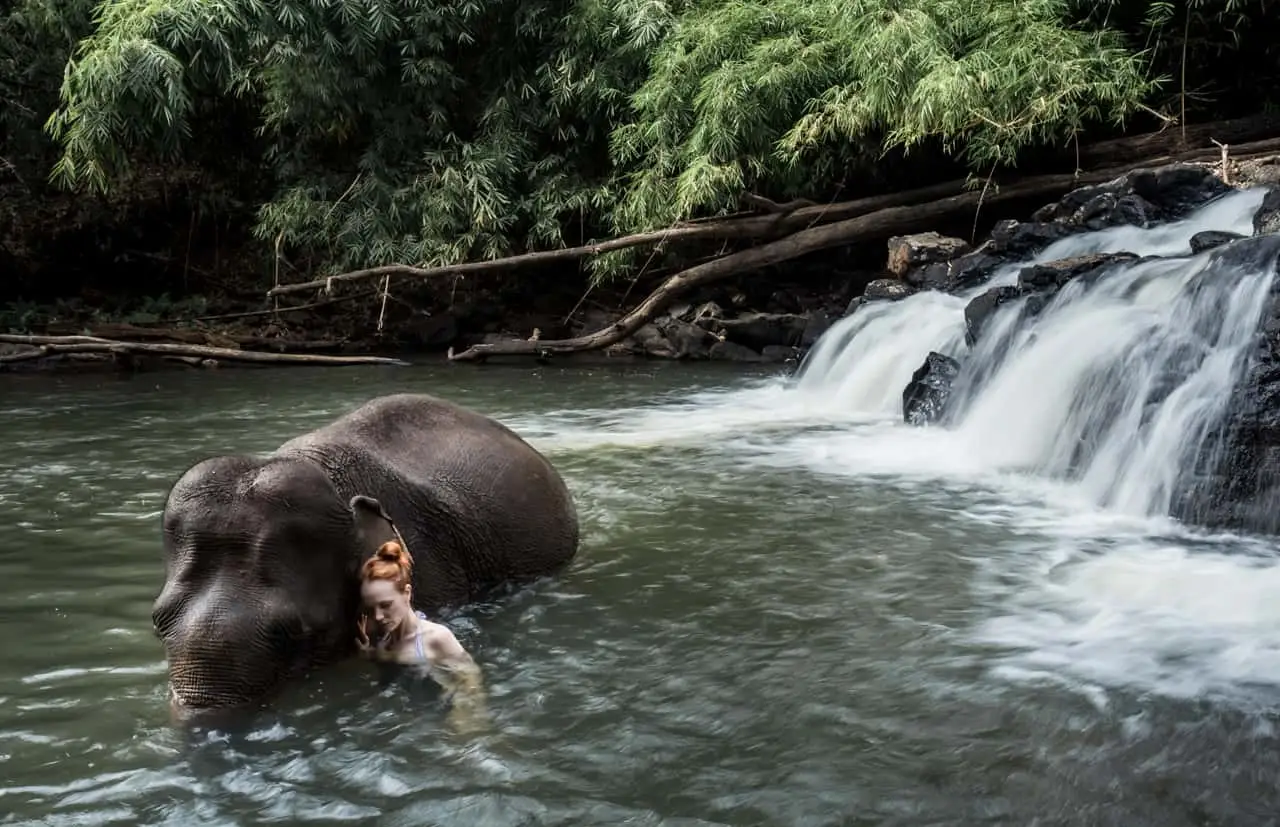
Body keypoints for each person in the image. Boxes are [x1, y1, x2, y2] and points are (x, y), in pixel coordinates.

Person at [356, 540, 489, 733]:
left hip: (444, 720)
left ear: (407, 593)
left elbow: (471, 678)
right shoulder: (385, 641)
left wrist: (464, 722)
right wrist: (369, 653)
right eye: (371, 608)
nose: (377, 616)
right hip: (411, 721)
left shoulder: (436, 637)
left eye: (385, 605)